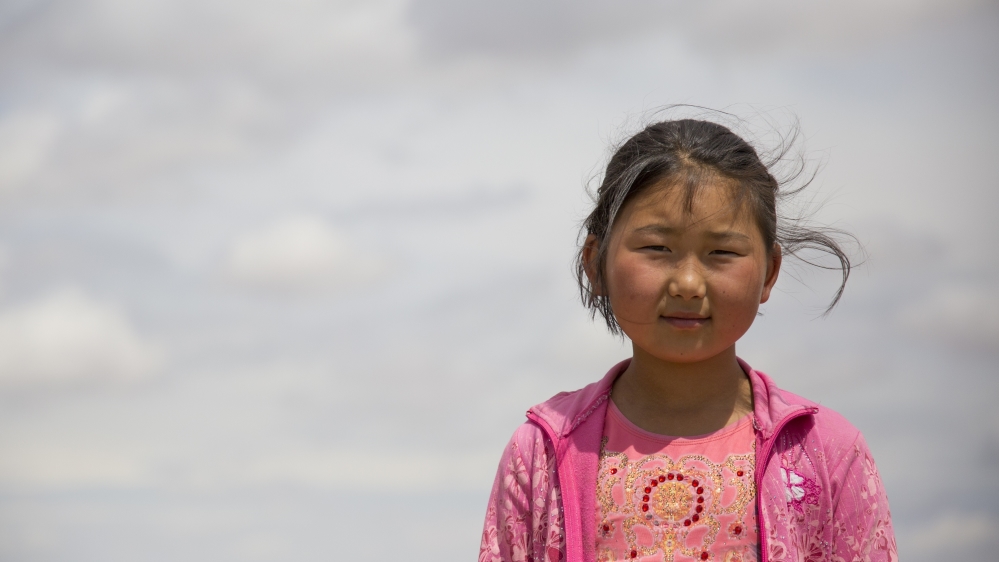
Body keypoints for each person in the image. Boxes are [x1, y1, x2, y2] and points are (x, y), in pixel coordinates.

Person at [478, 118, 897, 562]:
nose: (689, 284)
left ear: (770, 272)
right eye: (657, 248)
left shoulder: (825, 452)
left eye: (722, 253)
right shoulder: (540, 454)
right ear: (596, 264)